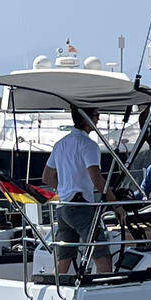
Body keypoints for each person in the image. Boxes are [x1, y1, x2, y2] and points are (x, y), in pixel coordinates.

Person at [45, 106, 111, 277]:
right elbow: (97, 179)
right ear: (86, 119)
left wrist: (65, 188)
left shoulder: (60, 144)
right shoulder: (89, 145)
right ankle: (104, 289)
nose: (98, 119)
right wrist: (117, 205)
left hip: (63, 207)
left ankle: (53, 287)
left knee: (64, 261)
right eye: (96, 115)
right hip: (81, 207)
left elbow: (47, 177)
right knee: (102, 257)